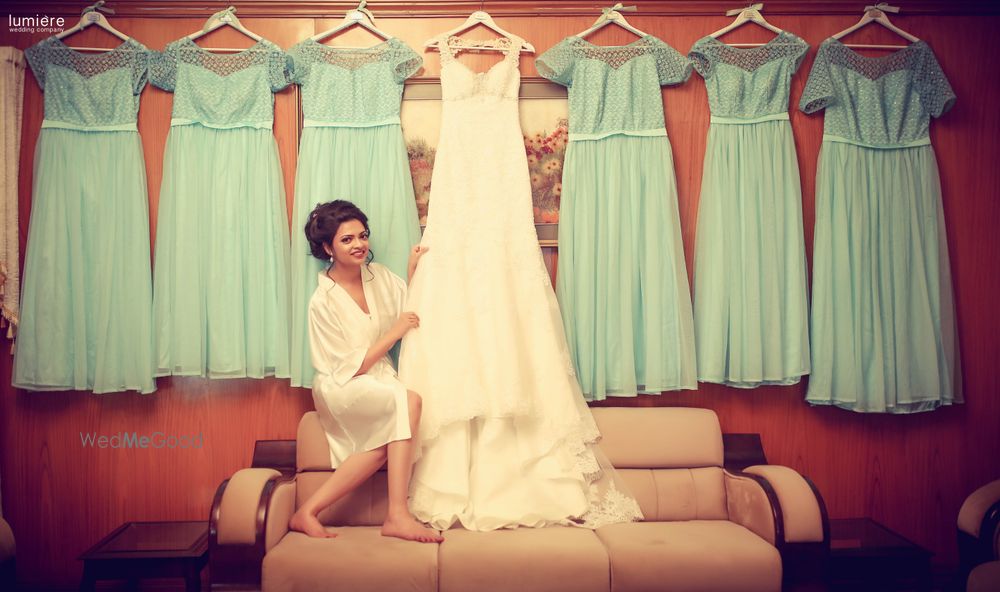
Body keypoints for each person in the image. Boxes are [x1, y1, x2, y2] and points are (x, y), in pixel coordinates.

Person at [288, 200, 442, 543]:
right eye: (347, 240)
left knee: (395, 425)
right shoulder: (322, 301)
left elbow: (410, 308)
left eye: (362, 235)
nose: (359, 244)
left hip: (379, 379)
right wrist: (394, 332)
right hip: (342, 384)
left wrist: (413, 268)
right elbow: (349, 366)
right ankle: (398, 515)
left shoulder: (381, 277)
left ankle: (306, 513)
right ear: (328, 247)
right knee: (409, 401)